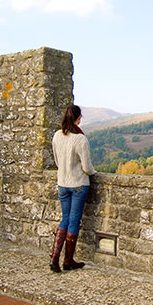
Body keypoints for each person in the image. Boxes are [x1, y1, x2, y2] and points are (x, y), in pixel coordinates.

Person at [50, 105, 96, 272]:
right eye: (80, 117)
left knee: (65, 218)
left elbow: (56, 161)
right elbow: (87, 167)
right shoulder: (80, 139)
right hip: (78, 184)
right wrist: (93, 172)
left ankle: (55, 258)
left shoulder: (57, 136)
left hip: (62, 183)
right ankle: (68, 261)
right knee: (74, 220)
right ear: (77, 118)